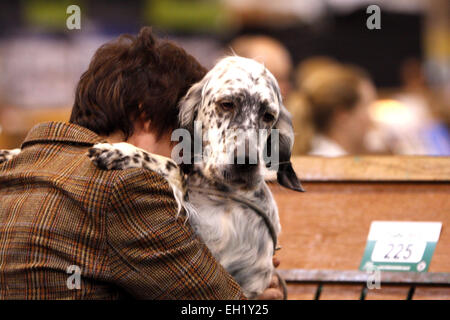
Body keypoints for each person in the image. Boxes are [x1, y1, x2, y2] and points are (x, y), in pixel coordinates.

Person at [0, 27, 283, 299]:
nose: (187, 159)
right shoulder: (128, 187)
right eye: (182, 137)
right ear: (145, 116)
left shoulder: (16, 167)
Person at [295, 62, 376, 156]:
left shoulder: (322, 154)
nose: (371, 118)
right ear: (342, 115)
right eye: (366, 106)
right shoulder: (330, 163)